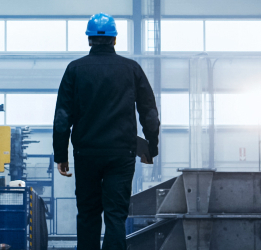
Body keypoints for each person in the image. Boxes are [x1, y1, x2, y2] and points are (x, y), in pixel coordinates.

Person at [53, 13, 160, 250]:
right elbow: (149, 112)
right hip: (120, 154)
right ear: (114, 39)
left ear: (89, 39)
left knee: (88, 215)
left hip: (86, 154)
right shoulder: (131, 69)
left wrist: (61, 154)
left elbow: (62, 116)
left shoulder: (75, 69)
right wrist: (151, 146)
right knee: (115, 216)